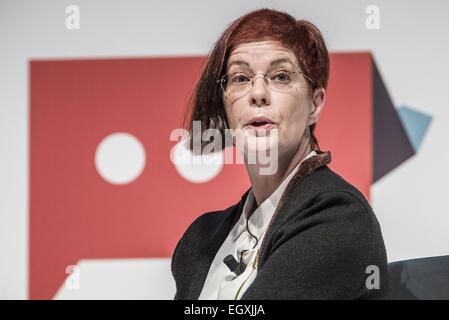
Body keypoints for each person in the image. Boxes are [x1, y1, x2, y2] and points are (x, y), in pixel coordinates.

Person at [171, 8, 388, 299]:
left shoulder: (338, 217)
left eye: (281, 76)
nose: (257, 92)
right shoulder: (201, 240)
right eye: (240, 78)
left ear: (315, 104)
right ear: (224, 104)